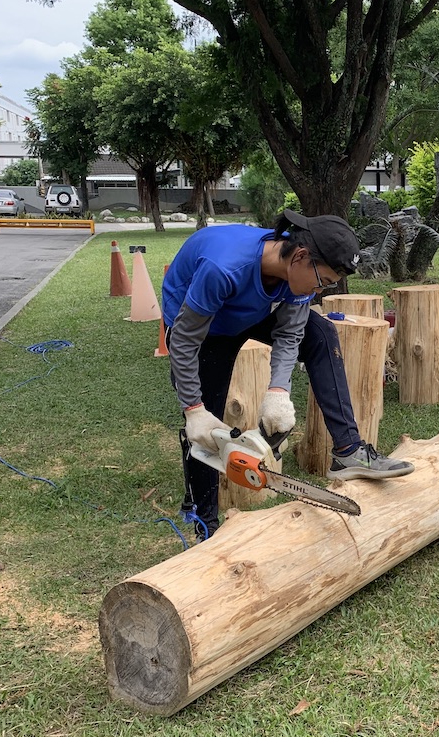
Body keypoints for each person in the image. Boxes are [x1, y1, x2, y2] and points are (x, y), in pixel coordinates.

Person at [162, 210, 414, 539]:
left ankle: (348, 450)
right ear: (300, 256)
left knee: (321, 333)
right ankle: (203, 520)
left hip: (249, 311)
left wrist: (278, 392)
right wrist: (194, 410)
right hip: (201, 325)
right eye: (322, 281)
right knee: (204, 425)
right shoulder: (223, 267)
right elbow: (183, 340)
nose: (320, 290)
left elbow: (291, 333)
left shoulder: (299, 273)